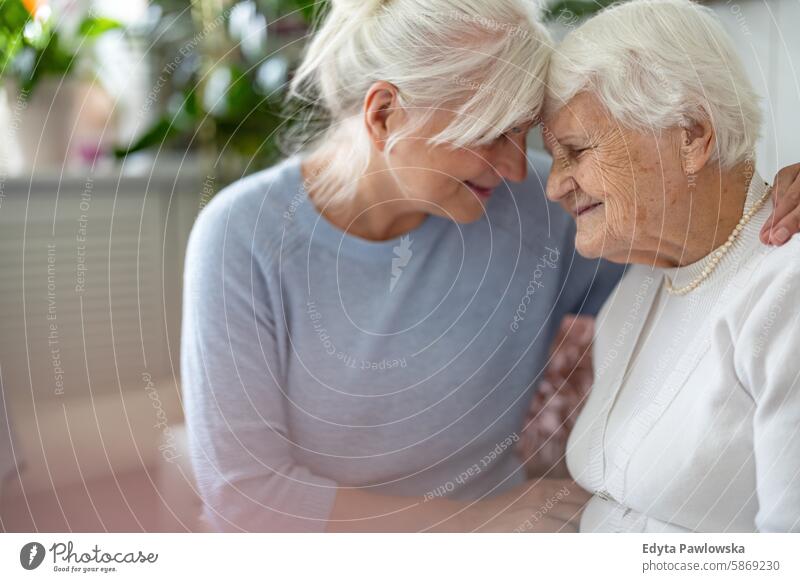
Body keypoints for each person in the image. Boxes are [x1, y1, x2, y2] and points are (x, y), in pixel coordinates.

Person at [182, 0, 800, 532]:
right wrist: (476, 528)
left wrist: (781, 196)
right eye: (487, 134)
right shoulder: (241, 237)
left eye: (522, 133)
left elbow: (706, 262)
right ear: (383, 115)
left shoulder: (537, 208)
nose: (514, 169)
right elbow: (244, 495)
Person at [543, 0, 800, 532]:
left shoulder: (785, 288)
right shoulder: (641, 283)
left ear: (691, 136)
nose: (554, 185)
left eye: (576, 150)